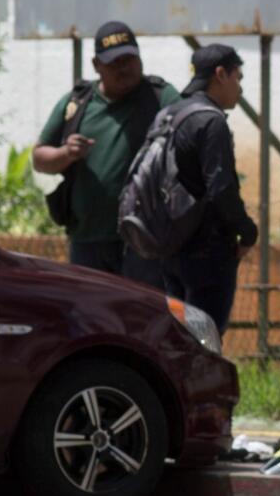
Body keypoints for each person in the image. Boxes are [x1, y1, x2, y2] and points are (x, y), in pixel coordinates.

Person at [33, 21, 179, 289]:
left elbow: (189, 139)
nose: (124, 68)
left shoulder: (160, 96)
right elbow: (39, 158)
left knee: (141, 318)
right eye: (114, 62)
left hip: (144, 239)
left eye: (129, 59)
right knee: (90, 317)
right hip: (88, 239)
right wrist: (66, 153)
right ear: (96, 65)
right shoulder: (76, 103)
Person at [156, 44, 258, 335]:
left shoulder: (169, 114)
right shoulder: (211, 121)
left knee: (176, 340)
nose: (239, 88)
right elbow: (221, 188)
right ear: (220, 74)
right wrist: (247, 230)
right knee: (204, 342)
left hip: (170, 248)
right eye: (238, 78)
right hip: (207, 255)